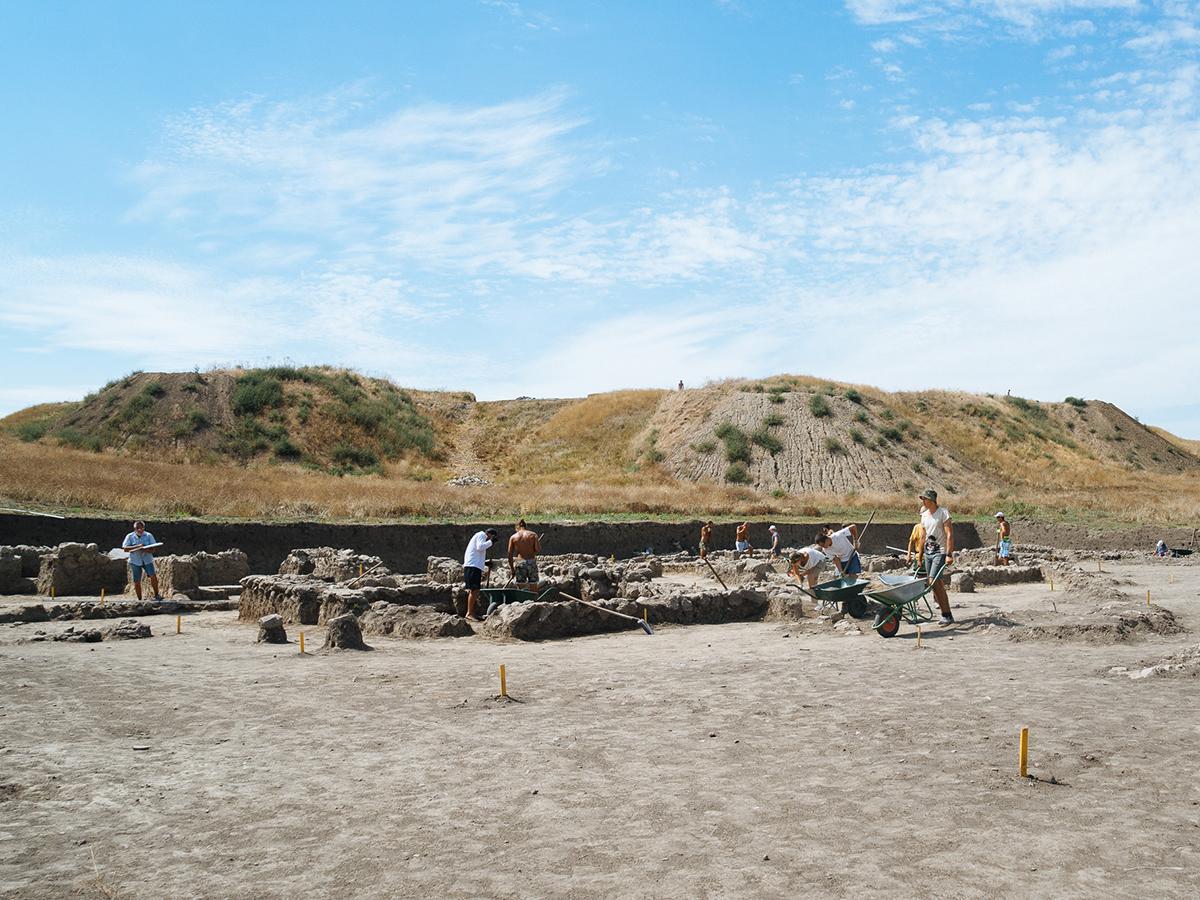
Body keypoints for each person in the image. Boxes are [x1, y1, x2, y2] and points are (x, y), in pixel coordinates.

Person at [918, 489, 955, 625]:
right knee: (936, 584)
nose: (923, 501)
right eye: (922, 499)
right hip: (928, 552)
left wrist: (949, 554)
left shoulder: (943, 513)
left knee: (933, 581)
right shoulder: (924, 515)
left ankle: (946, 614)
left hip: (940, 551)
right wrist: (920, 556)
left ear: (932, 500)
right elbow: (923, 537)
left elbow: (949, 534)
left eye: (925, 499)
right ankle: (947, 614)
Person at [122, 520, 163, 601]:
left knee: (153, 576)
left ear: (144, 528)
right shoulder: (130, 536)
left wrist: (147, 550)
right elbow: (125, 548)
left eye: (141, 528)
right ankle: (140, 600)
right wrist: (138, 547)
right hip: (135, 561)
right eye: (137, 528)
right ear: (134, 529)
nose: (139, 530)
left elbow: (153, 548)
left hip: (147, 559)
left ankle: (157, 595)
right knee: (137, 581)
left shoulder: (149, 535)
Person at [463, 527, 497, 621]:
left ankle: (471, 612)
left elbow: (476, 553)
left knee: (475, 590)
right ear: (490, 535)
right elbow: (480, 547)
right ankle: (469, 613)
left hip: (474, 565)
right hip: (472, 567)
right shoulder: (482, 535)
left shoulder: (479, 536)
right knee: (474, 590)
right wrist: (491, 542)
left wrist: (485, 563)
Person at [508, 519, 541, 588]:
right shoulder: (533, 535)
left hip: (520, 562)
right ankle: (534, 598)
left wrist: (512, 569)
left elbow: (510, 554)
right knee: (533, 584)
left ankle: (521, 598)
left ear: (517, 527)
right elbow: (538, 549)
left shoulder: (513, 537)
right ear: (526, 526)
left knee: (520, 585)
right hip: (531, 562)